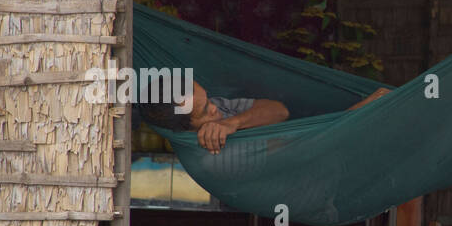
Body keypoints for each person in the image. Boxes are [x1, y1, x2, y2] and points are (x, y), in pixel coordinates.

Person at [139, 82, 389, 154]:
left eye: (209, 101)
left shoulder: (220, 112)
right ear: (185, 129)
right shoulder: (213, 155)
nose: (215, 108)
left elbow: (279, 111)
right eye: (205, 112)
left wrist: (232, 123)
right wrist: (359, 113)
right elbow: (304, 147)